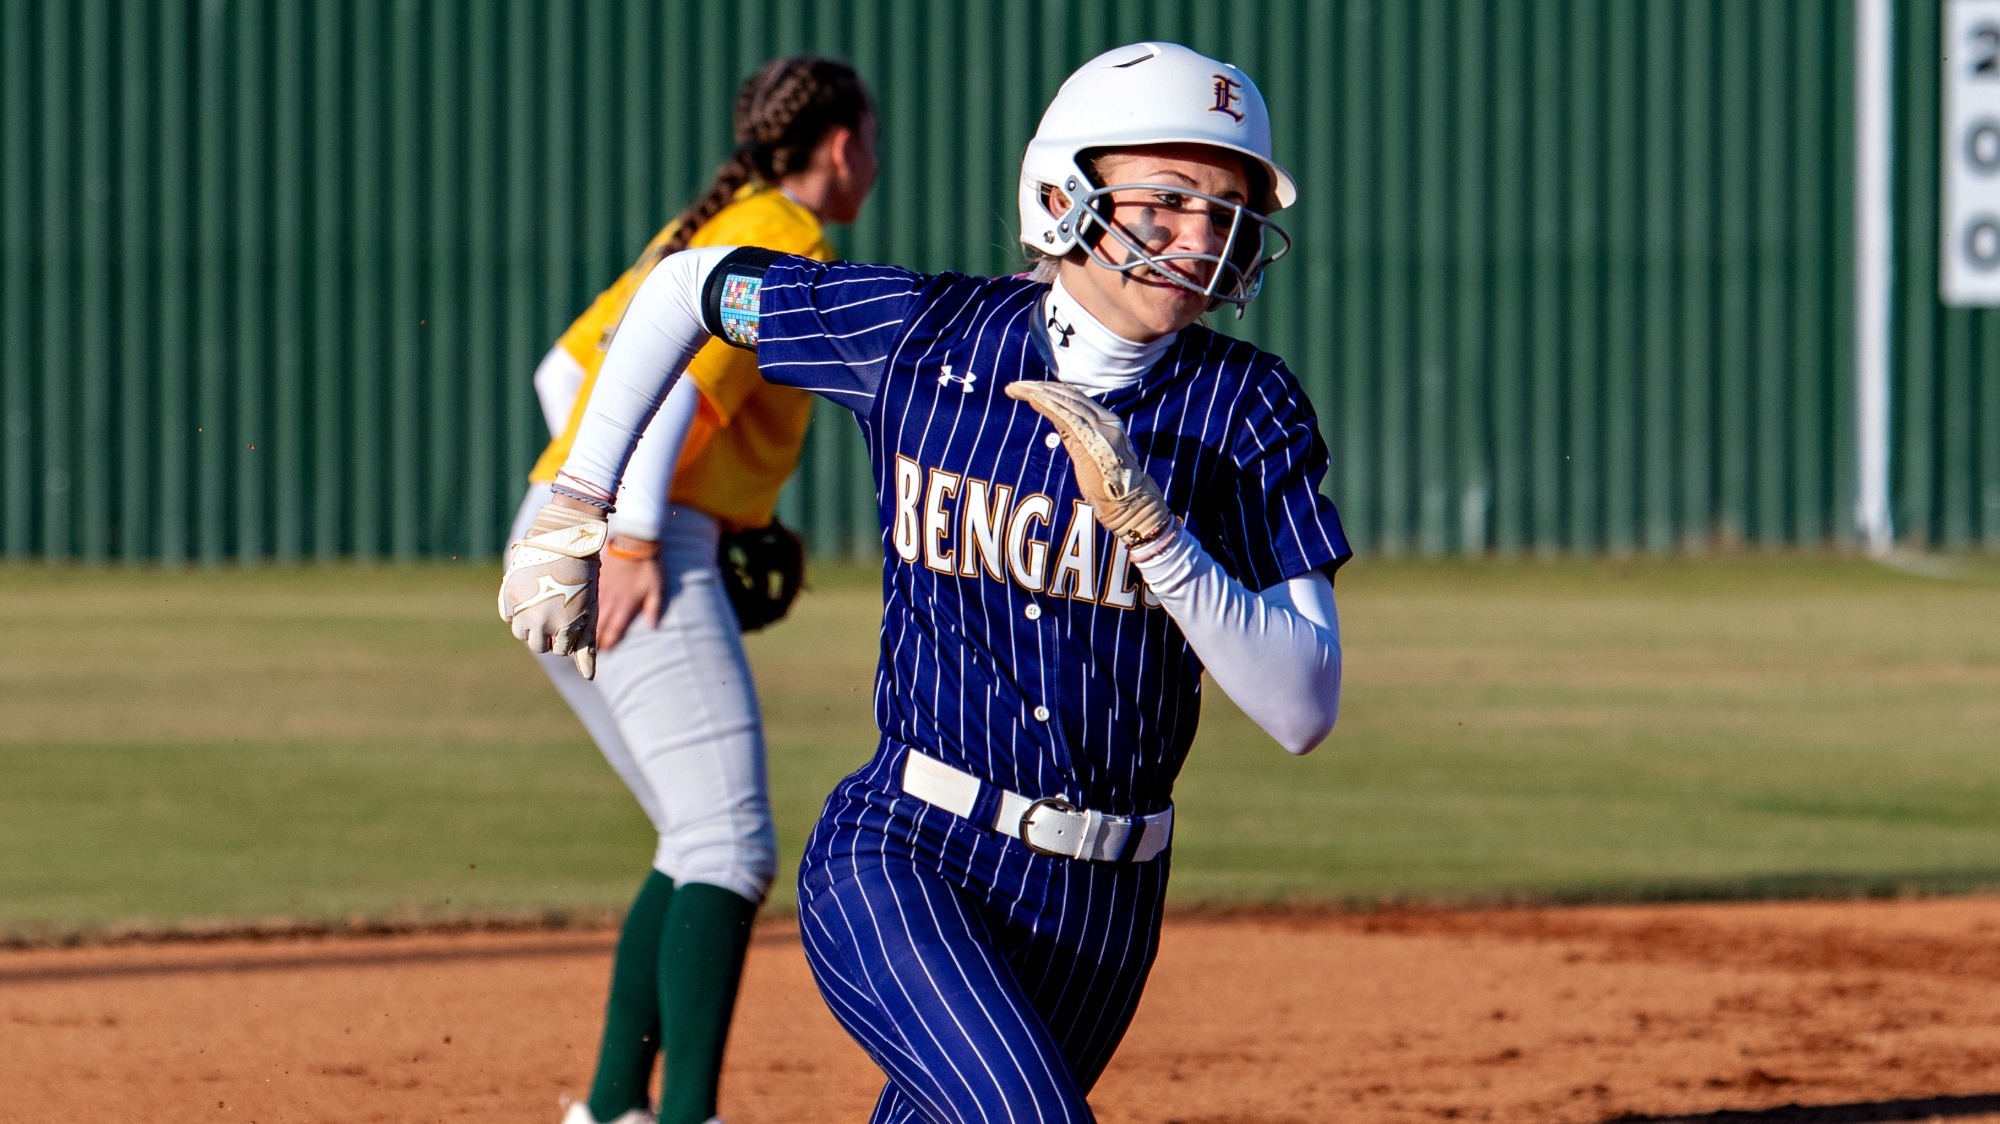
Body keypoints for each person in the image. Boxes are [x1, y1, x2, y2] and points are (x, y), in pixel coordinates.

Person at [501, 42, 1345, 1123]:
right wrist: (583, 504)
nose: (1199, 236)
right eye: (1168, 199)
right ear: (1060, 196)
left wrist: (1157, 535)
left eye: (1225, 211)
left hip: (1104, 905)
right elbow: (686, 291)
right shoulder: (921, 333)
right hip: (907, 851)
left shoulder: (1248, 407)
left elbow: (1302, 707)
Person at [507, 56, 877, 1124]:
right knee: (728, 841)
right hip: (635, 534)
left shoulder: (703, 223)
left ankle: (613, 1106)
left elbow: (562, 376)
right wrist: (635, 538)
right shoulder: (787, 240)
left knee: (693, 833)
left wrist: (654, 511)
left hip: (550, 522)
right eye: (869, 141)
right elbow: (671, 390)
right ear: (841, 145)